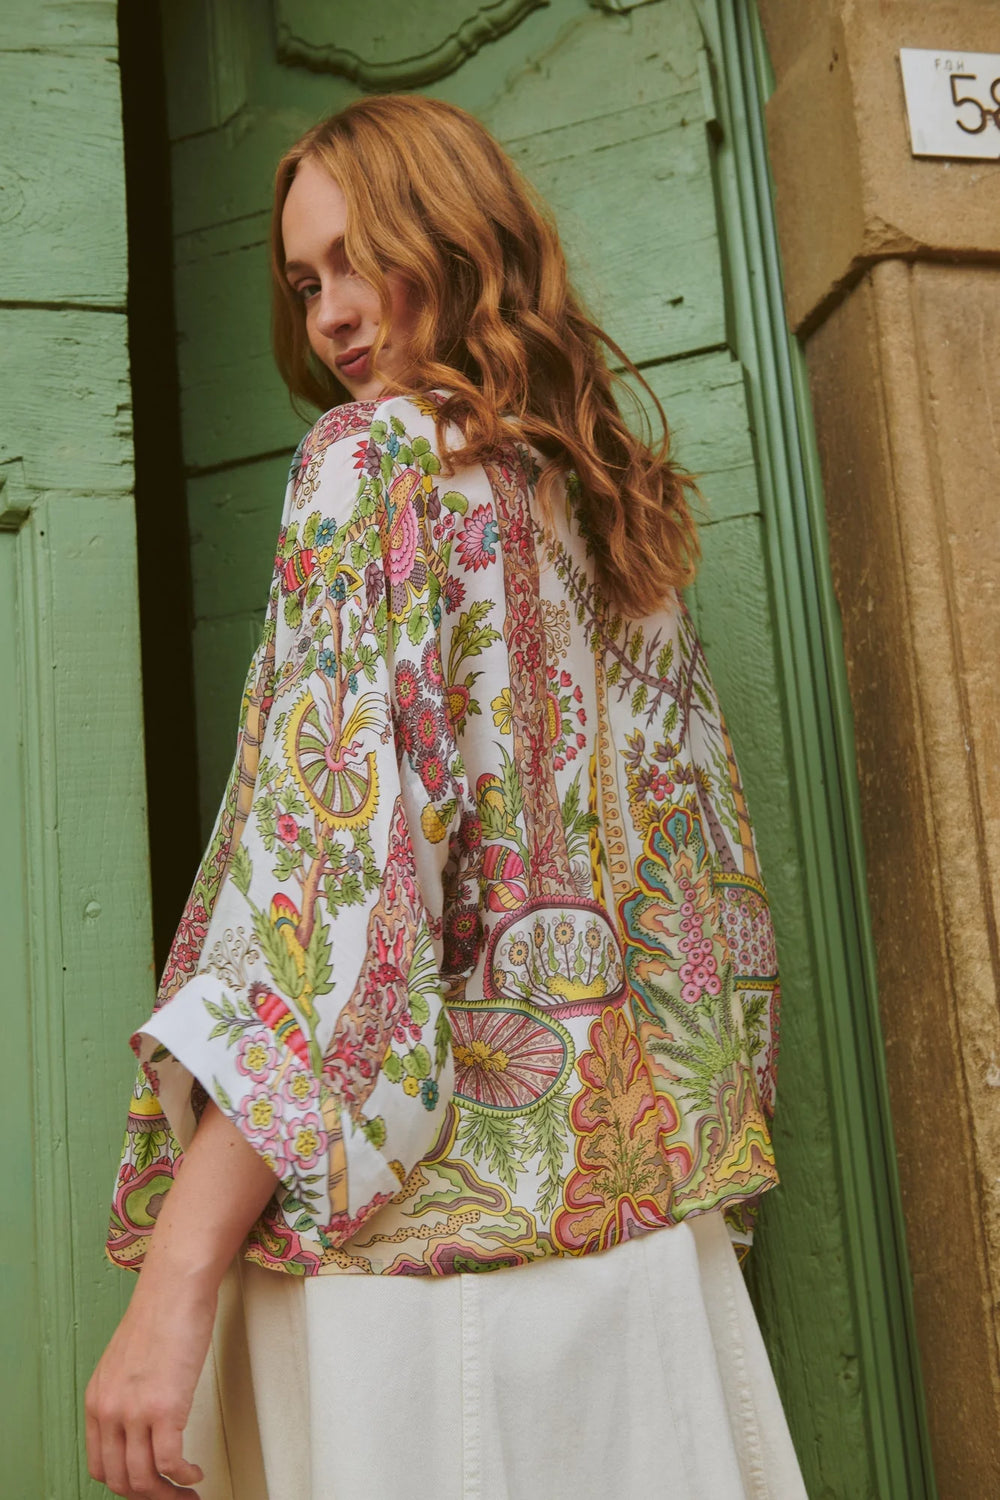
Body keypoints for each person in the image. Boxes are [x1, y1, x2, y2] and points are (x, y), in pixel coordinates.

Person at [87, 94, 808, 1500]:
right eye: (307, 283)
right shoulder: (614, 506)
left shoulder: (369, 465)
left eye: (363, 259)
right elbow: (705, 915)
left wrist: (175, 1281)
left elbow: (329, 914)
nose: (333, 317)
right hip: (645, 1249)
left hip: (421, 1286)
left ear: (463, 240)